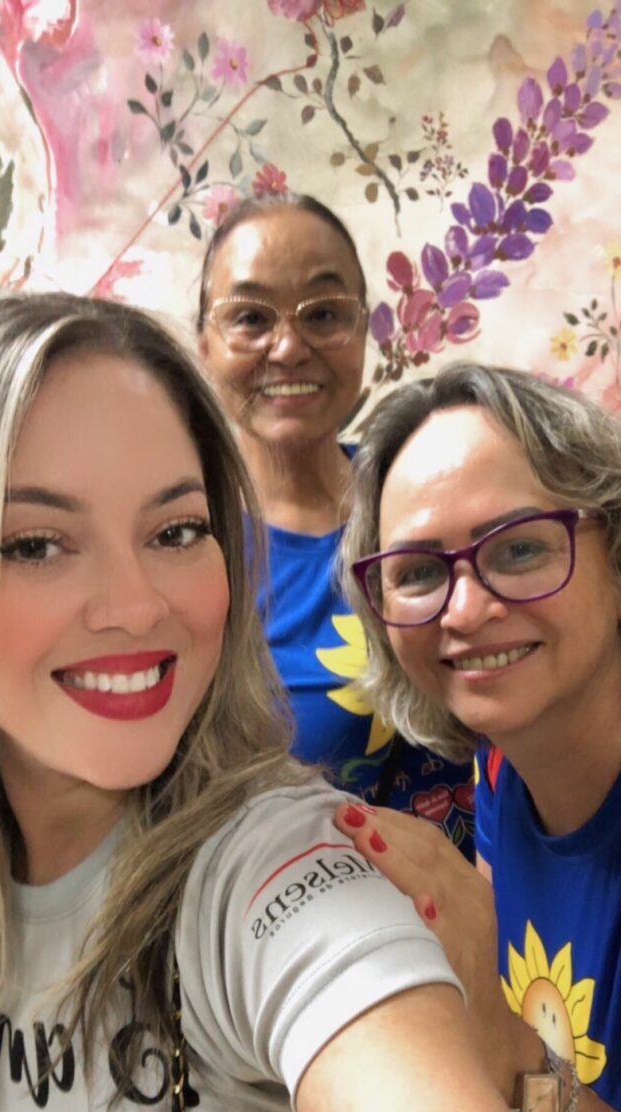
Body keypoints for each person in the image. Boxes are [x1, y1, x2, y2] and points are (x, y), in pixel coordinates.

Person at [0, 295, 608, 1112]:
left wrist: (509, 1058)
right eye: (35, 543)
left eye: (176, 530)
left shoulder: (271, 874)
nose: (137, 605)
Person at [333, 362, 621, 1112]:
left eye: (519, 549)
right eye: (417, 572)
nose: (467, 609)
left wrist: (494, 1030)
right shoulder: (501, 764)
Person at [197, 194, 476, 856]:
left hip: (505, 898)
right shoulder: (191, 549)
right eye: (250, 318)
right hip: (312, 912)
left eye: (324, 314)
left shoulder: (428, 495)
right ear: (204, 343)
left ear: (365, 330)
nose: (288, 348)